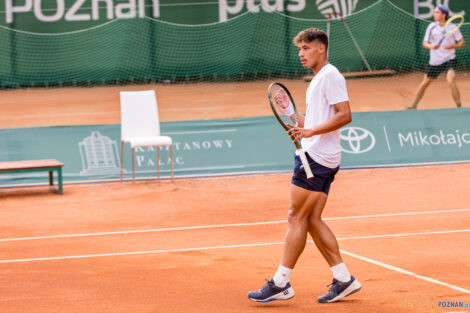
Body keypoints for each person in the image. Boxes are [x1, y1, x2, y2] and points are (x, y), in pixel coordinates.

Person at [247, 28, 361, 304]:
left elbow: (344, 115)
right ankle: (344, 279)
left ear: (321, 48)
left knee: (295, 217)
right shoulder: (318, 79)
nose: (301, 53)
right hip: (322, 157)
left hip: (316, 158)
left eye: (306, 48)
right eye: (299, 49)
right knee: (310, 219)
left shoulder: (330, 75)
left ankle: (280, 283)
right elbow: (315, 120)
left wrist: (310, 133)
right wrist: (295, 117)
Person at [408, 5, 465, 110]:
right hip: (435, 62)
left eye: (437, 12)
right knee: (425, 83)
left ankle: (459, 106)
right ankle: (414, 105)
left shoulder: (452, 27)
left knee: (450, 80)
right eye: (434, 12)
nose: (434, 14)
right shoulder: (431, 27)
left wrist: (454, 46)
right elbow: (425, 43)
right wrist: (432, 46)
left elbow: (462, 42)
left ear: (444, 15)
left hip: (449, 59)